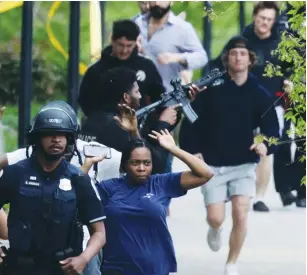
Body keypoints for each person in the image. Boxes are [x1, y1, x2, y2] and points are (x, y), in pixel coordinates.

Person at [179, 35, 279, 275]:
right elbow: (191, 120)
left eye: (243, 54)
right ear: (227, 59)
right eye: (234, 53)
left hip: (244, 163)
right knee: (216, 217)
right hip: (213, 165)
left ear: (250, 60)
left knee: (241, 213)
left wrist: (265, 144)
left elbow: (272, 130)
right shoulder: (212, 88)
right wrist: (194, 152)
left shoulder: (258, 92)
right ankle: (214, 229)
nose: (238, 57)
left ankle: (231, 262)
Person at [81, 104, 214, 275]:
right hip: (116, 269)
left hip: (155, 269)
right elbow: (77, 193)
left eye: (147, 163)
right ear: (124, 165)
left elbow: (205, 174)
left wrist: (174, 149)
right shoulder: (109, 188)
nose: (142, 168)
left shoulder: (161, 183)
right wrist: (87, 165)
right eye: (135, 163)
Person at [0, 101, 106, 274]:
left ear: (69, 139)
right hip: (19, 267)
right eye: (49, 134)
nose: (56, 139)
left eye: (61, 134)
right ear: (38, 138)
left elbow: (99, 233)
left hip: (63, 267)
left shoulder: (79, 179)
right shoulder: (15, 173)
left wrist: (83, 259)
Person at [80, 67, 200, 175]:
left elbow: (146, 136)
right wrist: (163, 125)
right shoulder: (119, 127)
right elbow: (155, 165)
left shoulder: (92, 121)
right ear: (126, 97)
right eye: (137, 92)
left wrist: (178, 106)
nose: (140, 96)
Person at [242, 1, 294, 212]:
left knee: (265, 148)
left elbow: (292, 68)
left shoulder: (281, 43)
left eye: (269, 20)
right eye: (262, 18)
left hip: (273, 103)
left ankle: (259, 197)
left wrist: (290, 81)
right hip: (244, 102)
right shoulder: (243, 41)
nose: (265, 23)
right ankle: (238, 189)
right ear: (255, 16)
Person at [78, 19, 165, 117]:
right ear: (112, 41)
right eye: (121, 45)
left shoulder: (147, 66)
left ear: (136, 42)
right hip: (106, 127)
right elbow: (85, 101)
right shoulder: (96, 70)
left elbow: (159, 98)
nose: (124, 50)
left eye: (129, 46)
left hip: (140, 126)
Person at [134, 1, 208, 92]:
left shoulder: (182, 28)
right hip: (139, 95)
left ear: (171, 2)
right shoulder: (137, 24)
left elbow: (202, 57)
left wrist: (177, 57)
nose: (157, 3)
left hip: (168, 96)